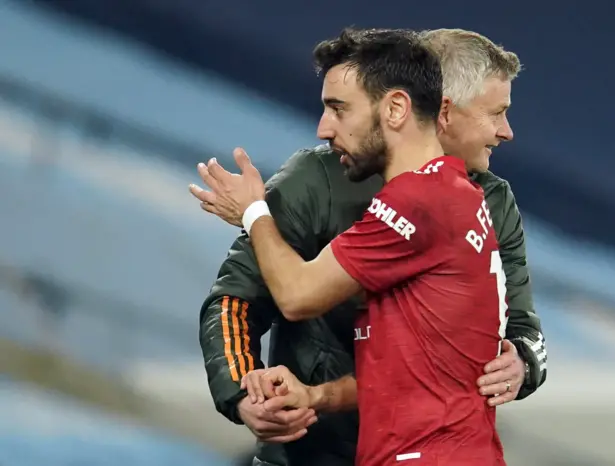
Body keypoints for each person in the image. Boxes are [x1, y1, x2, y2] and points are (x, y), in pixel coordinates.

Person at [194, 28, 547, 466]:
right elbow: (398, 371)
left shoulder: (433, 200)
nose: (506, 131)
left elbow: (298, 294)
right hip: (330, 450)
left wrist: (253, 213)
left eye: (340, 109)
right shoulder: (329, 180)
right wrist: (248, 390)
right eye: (495, 112)